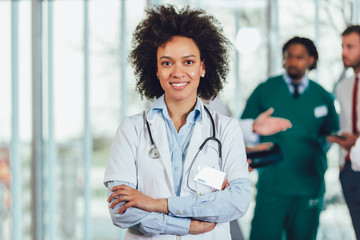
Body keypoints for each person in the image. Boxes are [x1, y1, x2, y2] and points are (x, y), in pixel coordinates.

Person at [103, 5, 251, 239]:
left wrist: (157, 204)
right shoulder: (131, 129)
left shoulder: (225, 129)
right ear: (156, 70)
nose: (178, 72)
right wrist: (187, 226)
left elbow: (237, 202)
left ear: (203, 67)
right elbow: (121, 212)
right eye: (167, 63)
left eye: (188, 62)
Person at [241, 36, 339, 240]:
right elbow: (243, 130)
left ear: (311, 60)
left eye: (299, 57)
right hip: (273, 185)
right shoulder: (265, 90)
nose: (293, 62)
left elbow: (331, 137)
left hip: (308, 185)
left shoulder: (323, 97)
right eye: (289, 57)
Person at [327, 25, 360, 239]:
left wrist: (357, 141)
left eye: (350, 46)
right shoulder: (343, 87)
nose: (343, 52)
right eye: (342, 46)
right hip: (349, 170)